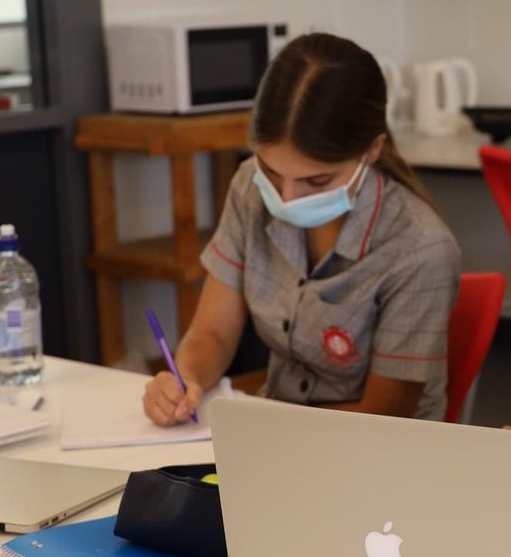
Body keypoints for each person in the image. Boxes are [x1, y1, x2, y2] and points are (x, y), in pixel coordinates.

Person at [143, 33, 460, 425]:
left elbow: (384, 416)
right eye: (272, 173)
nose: (288, 198)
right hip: (276, 432)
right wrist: (184, 379)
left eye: (316, 182)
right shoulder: (248, 188)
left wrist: (266, 428)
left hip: (376, 450)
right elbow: (214, 333)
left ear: (372, 150)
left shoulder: (420, 248)